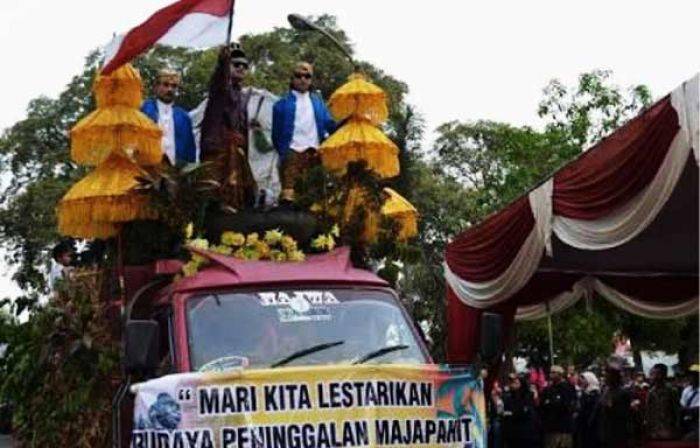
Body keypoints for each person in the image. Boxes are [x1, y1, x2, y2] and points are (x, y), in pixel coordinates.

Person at [200, 44, 257, 211]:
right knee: (213, 193)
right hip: (219, 148)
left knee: (241, 193)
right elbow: (219, 78)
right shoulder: (220, 88)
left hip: (237, 151)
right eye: (236, 64)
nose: (241, 68)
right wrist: (222, 62)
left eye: (244, 66)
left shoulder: (242, 94)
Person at [272, 62, 336, 203]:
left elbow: (330, 125)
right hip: (291, 152)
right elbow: (275, 135)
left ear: (311, 79)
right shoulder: (281, 104)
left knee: (312, 196)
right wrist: (285, 151)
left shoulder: (318, 103)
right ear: (292, 78)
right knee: (289, 196)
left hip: (314, 152)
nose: (303, 79)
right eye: (298, 75)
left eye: (307, 76)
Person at [141, 69, 197, 165]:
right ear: (156, 87)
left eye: (174, 86)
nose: (170, 89)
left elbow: (190, 150)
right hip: (147, 171)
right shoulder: (144, 109)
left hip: (175, 173)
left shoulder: (184, 117)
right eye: (165, 85)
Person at [598, 357, 631, 448]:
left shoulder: (623, 393)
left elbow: (624, 414)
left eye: (607, 374)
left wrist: (610, 406)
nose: (605, 376)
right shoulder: (605, 391)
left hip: (618, 434)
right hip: (605, 433)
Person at [540, 365, 576, 448]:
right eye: (550, 372)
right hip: (551, 427)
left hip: (564, 428)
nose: (551, 375)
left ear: (560, 374)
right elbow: (543, 405)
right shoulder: (548, 389)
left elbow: (567, 405)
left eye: (553, 372)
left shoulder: (567, 388)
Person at [502, 373, 540, 447]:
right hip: (512, 432)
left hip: (525, 431)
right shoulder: (509, 396)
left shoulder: (527, 395)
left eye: (516, 383)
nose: (513, 385)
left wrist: (512, 414)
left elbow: (525, 411)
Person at [645, 363, 680, 441]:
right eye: (653, 373)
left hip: (668, 429)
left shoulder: (671, 391)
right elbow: (648, 410)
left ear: (664, 375)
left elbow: (677, 410)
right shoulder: (651, 392)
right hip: (654, 430)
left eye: (657, 373)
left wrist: (677, 426)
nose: (654, 376)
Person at [575, 371, 601, 448]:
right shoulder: (584, 393)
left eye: (583, 379)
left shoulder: (594, 393)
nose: (581, 381)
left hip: (592, 425)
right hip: (583, 426)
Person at [679, 365, 699, 440]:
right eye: (690, 375)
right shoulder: (686, 390)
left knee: (687, 439)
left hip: (697, 422)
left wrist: (684, 409)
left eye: (694, 375)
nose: (691, 377)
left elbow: (697, 410)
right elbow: (682, 405)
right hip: (685, 421)